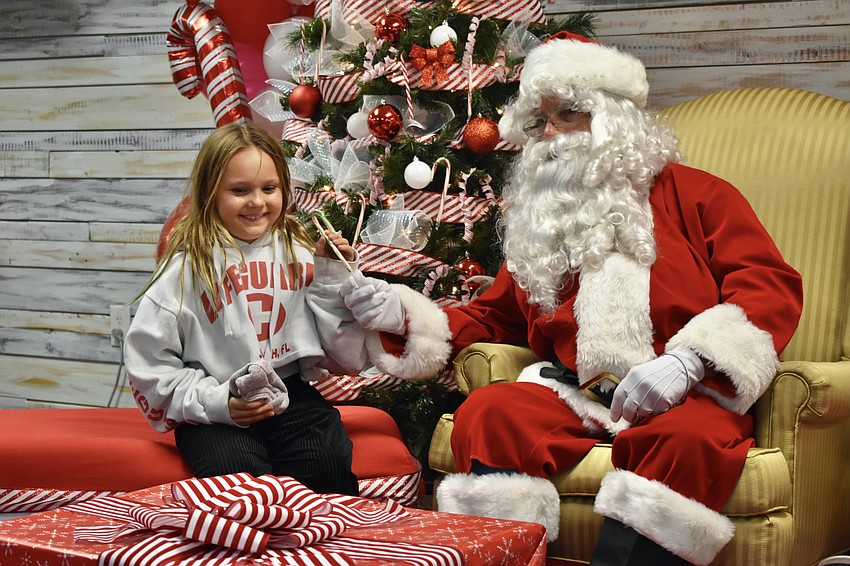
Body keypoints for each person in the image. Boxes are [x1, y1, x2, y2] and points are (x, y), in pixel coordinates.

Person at [341, 32, 804, 565]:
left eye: (567, 114)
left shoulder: (700, 195)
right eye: (539, 122)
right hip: (577, 393)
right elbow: (495, 316)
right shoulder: (542, 222)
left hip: (682, 392)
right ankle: (512, 556)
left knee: (691, 440)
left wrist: (688, 360)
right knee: (491, 413)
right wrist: (404, 314)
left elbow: (767, 285)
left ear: (613, 118)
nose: (552, 134)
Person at [124, 122, 369, 496]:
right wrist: (218, 403)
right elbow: (151, 366)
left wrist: (333, 276)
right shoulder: (184, 272)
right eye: (240, 191)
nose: (257, 202)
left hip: (292, 396)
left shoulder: (300, 254)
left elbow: (343, 350)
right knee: (234, 477)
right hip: (215, 404)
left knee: (326, 464)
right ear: (210, 193)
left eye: (268, 189)